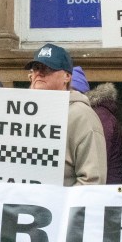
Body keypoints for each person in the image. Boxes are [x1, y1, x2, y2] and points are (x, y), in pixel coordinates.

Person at [25, 43, 107, 186]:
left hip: (54, 207)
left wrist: (59, 206)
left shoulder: (82, 116)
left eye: (48, 68)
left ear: (67, 76)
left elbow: (92, 181)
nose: (39, 73)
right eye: (36, 68)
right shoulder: (19, 114)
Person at [87, 82, 122, 184]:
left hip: (105, 187)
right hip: (109, 183)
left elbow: (98, 160)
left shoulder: (100, 116)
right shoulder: (102, 114)